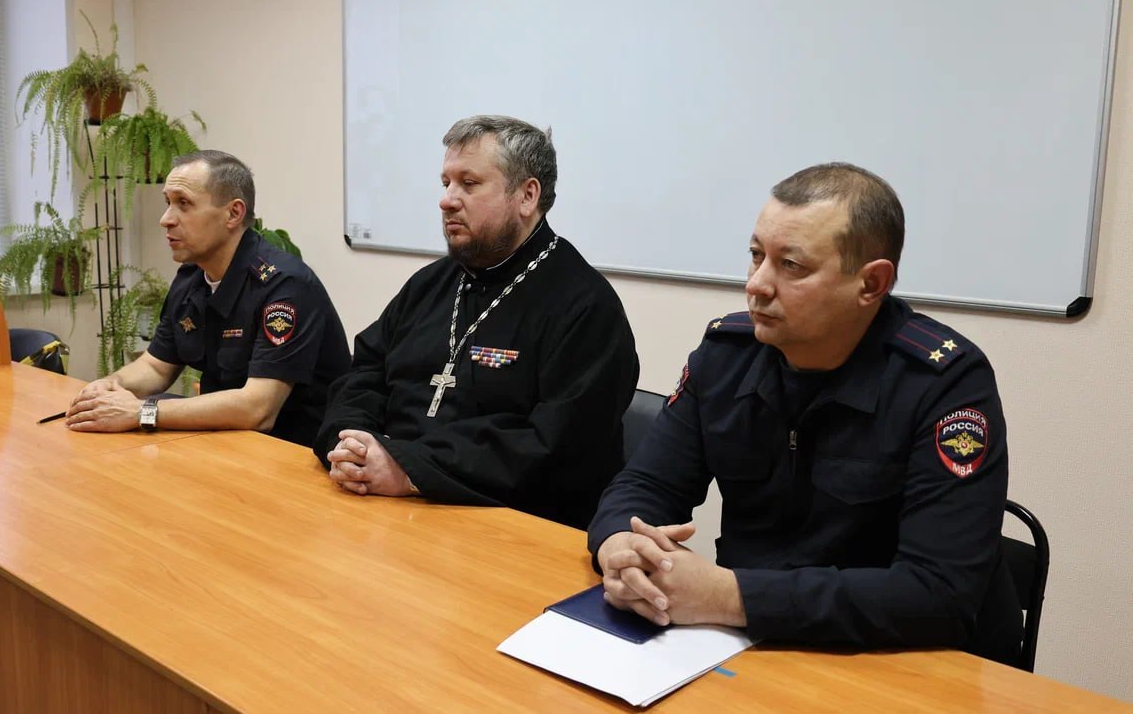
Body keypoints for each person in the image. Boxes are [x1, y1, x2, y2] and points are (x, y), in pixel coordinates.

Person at [588, 163, 1021, 663]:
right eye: (756, 256)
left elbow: (938, 594)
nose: (757, 285)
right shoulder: (725, 356)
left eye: (790, 265)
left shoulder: (944, 383)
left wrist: (730, 596)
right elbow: (645, 485)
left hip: (899, 663)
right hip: (751, 646)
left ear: (871, 283)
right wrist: (621, 546)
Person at [315, 115, 639, 529]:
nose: (447, 200)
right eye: (445, 183)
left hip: (509, 526)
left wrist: (409, 469)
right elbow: (363, 374)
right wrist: (350, 444)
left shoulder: (586, 308)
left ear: (527, 196)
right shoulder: (429, 285)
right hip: (384, 503)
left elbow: (555, 447)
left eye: (468, 184)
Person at [66, 150, 350, 446]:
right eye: (167, 203)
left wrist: (142, 412)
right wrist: (110, 385)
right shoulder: (192, 278)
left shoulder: (284, 286)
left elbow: (258, 409)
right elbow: (156, 367)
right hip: (225, 442)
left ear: (233, 214)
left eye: (183, 204)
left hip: (294, 452)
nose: (166, 219)